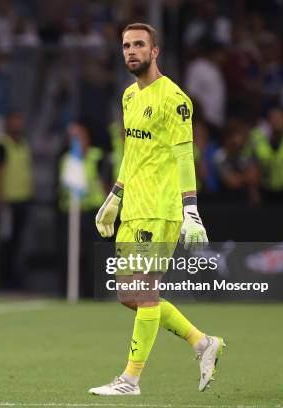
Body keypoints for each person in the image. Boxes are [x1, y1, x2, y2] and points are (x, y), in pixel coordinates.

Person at [90, 23, 225, 396]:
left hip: (160, 210)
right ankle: (202, 343)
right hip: (133, 208)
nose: (131, 51)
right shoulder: (128, 97)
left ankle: (130, 380)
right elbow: (132, 153)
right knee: (127, 295)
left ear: (155, 51)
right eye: (126, 46)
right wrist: (115, 196)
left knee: (146, 293)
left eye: (139, 45)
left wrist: (191, 209)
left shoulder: (175, 99)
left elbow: (185, 156)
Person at [57, 123, 108, 297]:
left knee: (94, 255)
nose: (78, 142)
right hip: (71, 213)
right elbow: (62, 187)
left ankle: (92, 293)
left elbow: (106, 182)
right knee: (70, 254)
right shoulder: (67, 160)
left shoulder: (98, 156)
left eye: (81, 137)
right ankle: (67, 293)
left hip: (93, 213)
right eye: (74, 138)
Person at [0, 112, 33, 290]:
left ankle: (16, 277)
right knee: (6, 241)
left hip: (23, 199)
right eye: (14, 121)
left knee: (18, 241)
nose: (18, 125)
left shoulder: (23, 144)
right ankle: (4, 279)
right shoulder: (2, 146)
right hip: (8, 200)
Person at [248, 107, 283, 205]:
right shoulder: (260, 143)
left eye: (279, 118)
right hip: (266, 192)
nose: (276, 122)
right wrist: (254, 191)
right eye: (273, 119)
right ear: (268, 122)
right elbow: (254, 168)